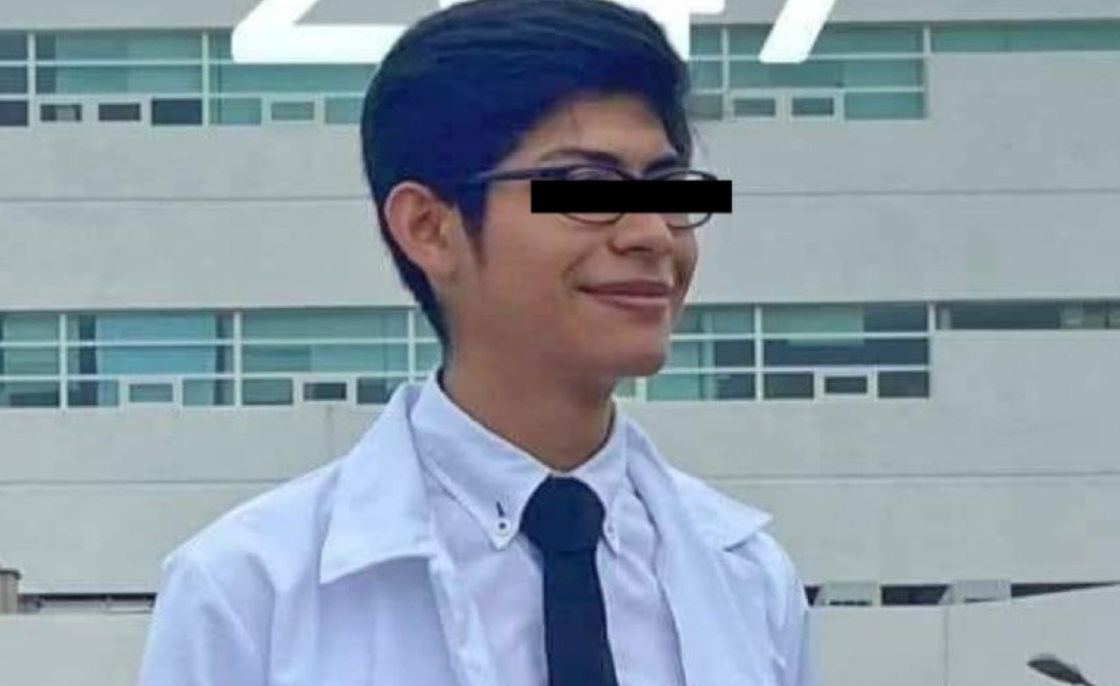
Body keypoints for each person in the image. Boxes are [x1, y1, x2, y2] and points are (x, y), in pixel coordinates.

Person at [135, 0, 818, 684]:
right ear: (429, 228)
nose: (651, 234)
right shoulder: (247, 594)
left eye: (668, 189)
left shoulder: (752, 582)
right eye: (586, 187)